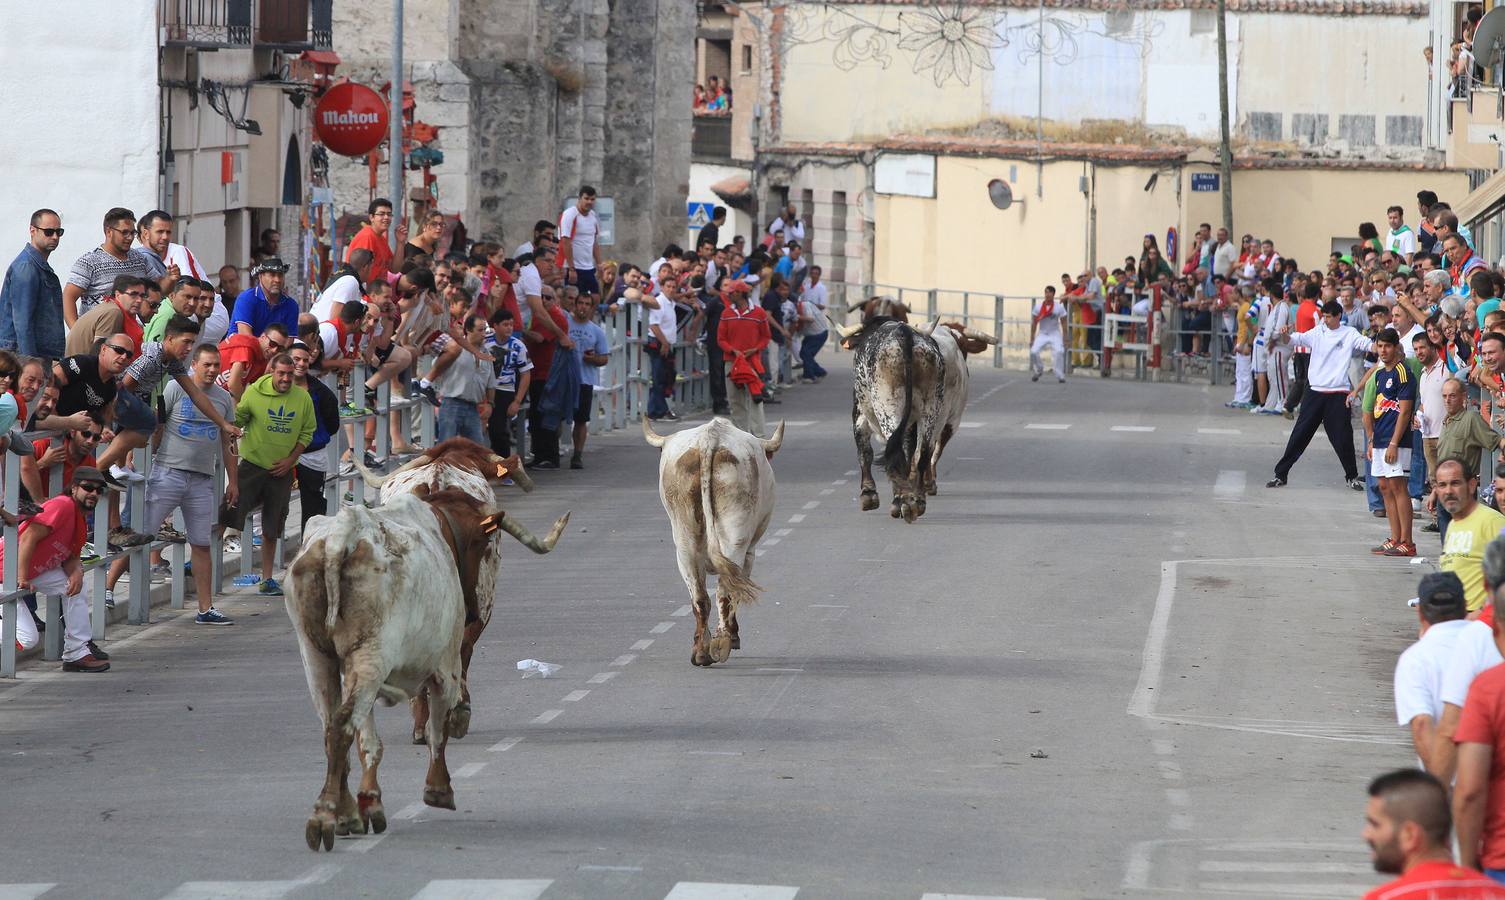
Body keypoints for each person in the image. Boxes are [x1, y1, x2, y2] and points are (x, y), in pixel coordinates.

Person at [104, 345, 238, 624]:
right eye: (207, 365)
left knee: (201, 543)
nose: (212, 370)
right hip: (168, 472)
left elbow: (228, 444)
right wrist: (132, 453)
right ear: (195, 365)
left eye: (216, 365)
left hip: (202, 479)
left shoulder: (225, 399)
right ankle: (107, 587)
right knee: (141, 534)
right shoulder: (176, 388)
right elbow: (156, 424)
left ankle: (205, 608)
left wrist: (232, 481)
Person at [0, 467, 112, 671]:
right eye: (88, 488)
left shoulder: (79, 518)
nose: (94, 493)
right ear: (74, 488)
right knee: (27, 639)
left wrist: (76, 571)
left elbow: (70, 556)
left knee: (74, 585)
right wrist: (22, 576)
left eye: (99, 490)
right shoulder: (63, 505)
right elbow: (27, 538)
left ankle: (77, 653)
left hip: (26, 571)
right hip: (5, 572)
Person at [223, 354, 313, 596]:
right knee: (228, 511)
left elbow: (307, 433)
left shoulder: (303, 398)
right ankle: (202, 564)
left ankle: (267, 578)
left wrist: (290, 461)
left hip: (281, 470)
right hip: (252, 464)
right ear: (272, 371)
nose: (285, 378)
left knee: (273, 526)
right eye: (281, 373)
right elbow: (237, 421)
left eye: (289, 374)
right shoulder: (253, 392)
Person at [1267, 300, 1373, 489]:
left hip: (1338, 393)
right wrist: (1285, 335)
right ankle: (1280, 474)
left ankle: (1352, 476)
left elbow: (1368, 345)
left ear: (1338, 316)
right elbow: (1294, 340)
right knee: (1300, 434)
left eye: (1329, 316)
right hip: (1314, 392)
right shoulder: (1318, 331)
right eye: (1323, 316)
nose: (1325, 319)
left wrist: (1381, 344)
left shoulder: (1349, 333)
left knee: (1343, 437)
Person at [1362, 768, 1505, 898]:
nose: (1366, 835)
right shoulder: (1497, 893)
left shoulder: (1387, 897)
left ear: (1410, 835)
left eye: (1375, 825)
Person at [1397, 572, 1474, 771]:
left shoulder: (1415, 659)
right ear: (1465, 607)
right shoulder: (1492, 642)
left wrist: (1442, 786)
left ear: (1420, 613)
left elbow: (1422, 726)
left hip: (1454, 784)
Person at [1366, 329, 1419, 557]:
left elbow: (1405, 412)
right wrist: (1371, 441)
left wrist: (1394, 442)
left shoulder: (1403, 373)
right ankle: (1395, 538)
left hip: (1396, 441)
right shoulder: (1379, 375)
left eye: (1388, 346)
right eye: (1380, 346)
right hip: (1379, 439)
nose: (1384, 351)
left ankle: (1407, 541)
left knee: (1398, 487)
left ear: (1397, 347)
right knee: (1385, 487)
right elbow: (1378, 410)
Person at [1433, 378, 1504, 540]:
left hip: (1462, 492)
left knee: (1462, 541)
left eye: (1452, 396)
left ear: (1463, 396)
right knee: (1447, 544)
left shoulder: (1471, 419)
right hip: (1442, 492)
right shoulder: (1446, 422)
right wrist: (1434, 491)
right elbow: (1441, 459)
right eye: (1444, 396)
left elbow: (1496, 441)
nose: (1447, 400)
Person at [62, 207, 149, 327]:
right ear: (109, 232)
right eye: (124, 232)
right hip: (99, 337)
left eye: (132, 233)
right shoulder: (89, 262)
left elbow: (157, 285)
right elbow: (68, 297)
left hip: (132, 337)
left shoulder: (140, 259)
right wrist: (77, 333)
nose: (130, 237)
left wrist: (170, 279)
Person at [1437, 457, 1505, 611]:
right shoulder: (1453, 525)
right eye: (1442, 485)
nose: (1448, 491)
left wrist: (1482, 613)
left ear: (1472, 485)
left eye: (1455, 483)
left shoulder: (1493, 521)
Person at [0, 208, 65, 360]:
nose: (55, 237)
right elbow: (23, 323)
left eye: (59, 232)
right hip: (24, 355)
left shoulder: (37, 265)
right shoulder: (27, 267)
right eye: (49, 232)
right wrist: (30, 363)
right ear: (32, 230)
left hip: (37, 353)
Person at [286, 341, 338, 533]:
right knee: (276, 507)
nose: (300, 364)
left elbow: (332, 424)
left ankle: (310, 550)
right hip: (280, 456)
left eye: (305, 360)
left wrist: (312, 439)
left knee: (313, 510)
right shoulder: (271, 386)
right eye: (295, 359)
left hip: (312, 456)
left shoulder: (322, 393)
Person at [717, 279, 770, 437]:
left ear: (740, 293)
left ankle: (759, 436)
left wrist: (755, 349)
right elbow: (721, 339)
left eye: (732, 292)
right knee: (735, 400)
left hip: (752, 362)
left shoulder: (759, 313)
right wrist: (732, 350)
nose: (729, 295)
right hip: (731, 362)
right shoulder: (726, 313)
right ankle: (740, 435)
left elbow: (766, 336)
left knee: (756, 398)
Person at [433, 314, 493, 444]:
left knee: (477, 449)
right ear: (468, 330)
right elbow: (435, 366)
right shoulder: (454, 348)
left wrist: (490, 403)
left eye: (485, 330)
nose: (484, 334)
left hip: (472, 406)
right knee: (446, 447)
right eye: (480, 330)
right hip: (451, 403)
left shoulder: (486, 353)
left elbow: (491, 382)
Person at [566, 291, 609, 469]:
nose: (583, 307)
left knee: (581, 419)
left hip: (585, 380)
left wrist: (592, 359)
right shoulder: (565, 325)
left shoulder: (596, 331)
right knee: (559, 417)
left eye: (587, 304)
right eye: (580, 303)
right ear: (575, 305)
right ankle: (553, 451)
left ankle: (577, 454)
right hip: (566, 379)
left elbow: (604, 358)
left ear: (591, 308)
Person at [484, 308, 531, 459]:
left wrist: (517, 401)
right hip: (483, 390)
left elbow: (525, 374)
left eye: (511, 324)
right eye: (505, 324)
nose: (509, 328)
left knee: (499, 432)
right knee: (482, 431)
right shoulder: (485, 342)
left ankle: (503, 472)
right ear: (495, 326)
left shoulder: (518, 346)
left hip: (504, 391)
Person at [64, 275, 148, 356]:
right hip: (76, 368)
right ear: (118, 295)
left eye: (142, 296)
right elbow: (100, 354)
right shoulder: (113, 313)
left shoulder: (111, 306)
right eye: (133, 294)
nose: (139, 300)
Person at [218, 321, 288, 401]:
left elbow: (256, 389)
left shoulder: (262, 359)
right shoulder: (247, 347)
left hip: (222, 395)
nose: (275, 350)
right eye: (272, 344)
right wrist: (245, 404)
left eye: (280, 348)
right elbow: (233, 384)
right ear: (263, 337)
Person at [230, 257, 297, 338]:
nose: (277, 280)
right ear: (260, 277)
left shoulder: (291, 305)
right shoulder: (246, 298)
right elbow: (245, 336)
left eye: (280, 275)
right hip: (241, 348)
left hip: (276, 349)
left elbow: (289, 340)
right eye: (272, 275)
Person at [558, 185, 603, 302]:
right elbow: (565, 242)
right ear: (580, 198)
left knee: (595, 298)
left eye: (592, 199)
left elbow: (594, 242)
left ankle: (587, 320)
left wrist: (599, 264)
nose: (589, 202)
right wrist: (571, 269)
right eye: (586, 198)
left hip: (588, 267)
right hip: (574, 267)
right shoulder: (570, 215)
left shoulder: (593, 216)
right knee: (574, 300)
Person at [646, 270, 680, 421]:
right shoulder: (659, 302)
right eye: (668, 286)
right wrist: (664, 343)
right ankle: (659, 410)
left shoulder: (671, 303)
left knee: (666, 378)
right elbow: (653, 325)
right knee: (658, 378)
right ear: (662, 287)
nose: (671, 289)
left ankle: (655, 410)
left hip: (666, 344)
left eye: (674, 287)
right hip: (658, 344)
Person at [345, 198, 404, 284]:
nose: (386, 217)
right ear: (371, 217)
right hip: (366, 294)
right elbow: (360, 273)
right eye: (381, 214)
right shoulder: (367, 236)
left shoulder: (381, 238)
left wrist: (400, 243)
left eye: (389, 214)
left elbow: (394, 269)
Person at [797, 265, 829, 382]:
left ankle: (809, 375)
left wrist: (811, 306)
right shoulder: (806, 286)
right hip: (810, 326)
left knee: (806, 353)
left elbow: (822, 305)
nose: (813, 275)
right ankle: (818, 371)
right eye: (812, 273)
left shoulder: (821, 288)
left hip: (817, 322)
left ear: (819, 275)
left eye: (816, 273)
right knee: (805, 353)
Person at [1030, 285, 1067, 383]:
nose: (1048, 294)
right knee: (1034, 351)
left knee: (1059, 351)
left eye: (1050, 292)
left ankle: (1060, 375)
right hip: (1042, 333)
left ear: (1053, 294)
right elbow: (1034, 323)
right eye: (1046, 292)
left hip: (1055, 333)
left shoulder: (1058, 307)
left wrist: (1065, 338)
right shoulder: (1038, 307)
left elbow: (1064, 323)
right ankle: (1039, 370)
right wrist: (1032, 338)